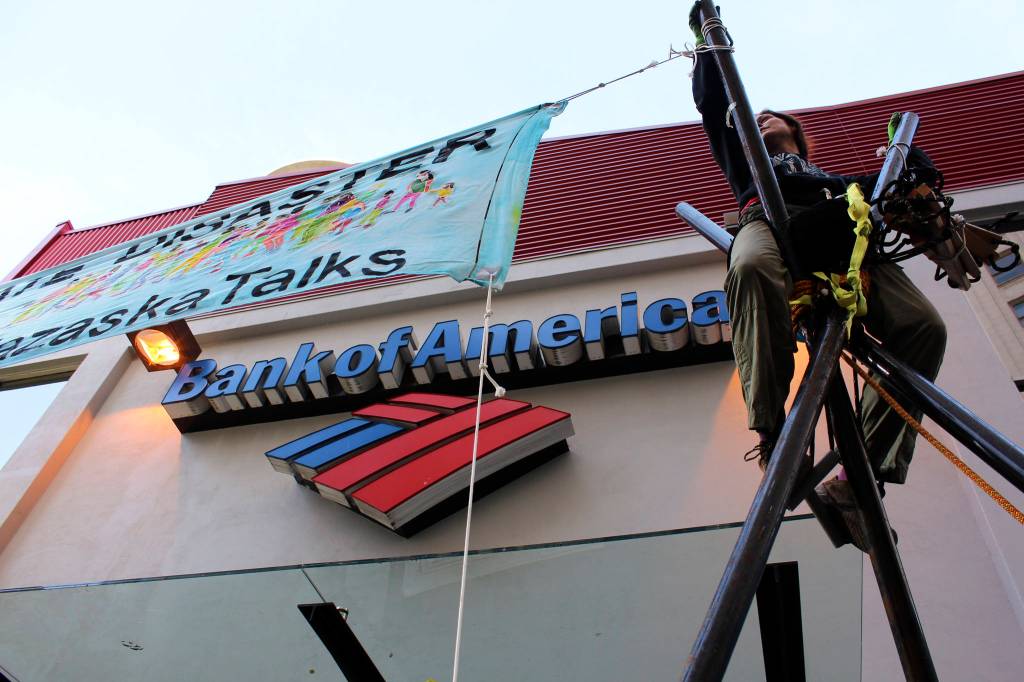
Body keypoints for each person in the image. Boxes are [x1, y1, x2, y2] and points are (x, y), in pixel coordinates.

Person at [688, 5, 946, 544]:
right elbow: (717, 108)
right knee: (752, 264)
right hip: (773, 223)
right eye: (757, 121)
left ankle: (860, 477)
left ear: (799, 134)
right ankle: (770, 423)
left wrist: (912, 159)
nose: (764, 120)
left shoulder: (835, 179)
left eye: (773, 117)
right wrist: (708, 43)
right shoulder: (750, 162)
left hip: (846, 237)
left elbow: (903, 181)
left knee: (924, 326)